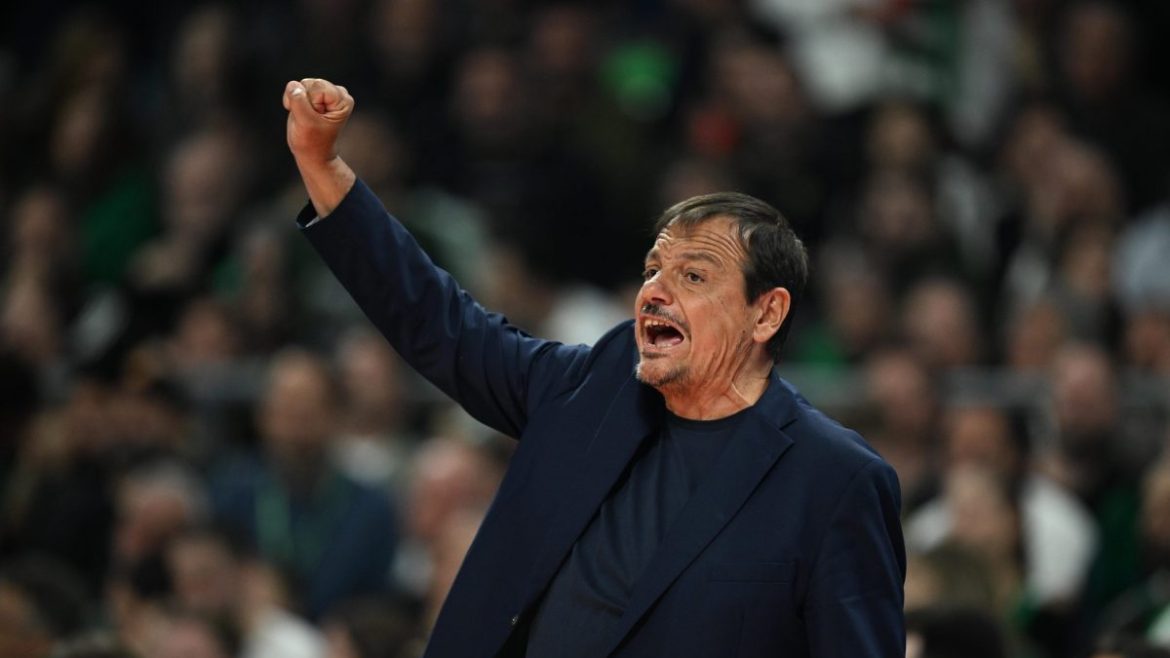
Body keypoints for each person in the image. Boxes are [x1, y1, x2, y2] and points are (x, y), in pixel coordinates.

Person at [281, 77, 905, 657]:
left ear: (766, 314)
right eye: (653, 270)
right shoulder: (588, 388)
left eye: (693, 276)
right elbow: (437, 320)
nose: (655, 291)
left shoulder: (835, 481)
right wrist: (324, 166)